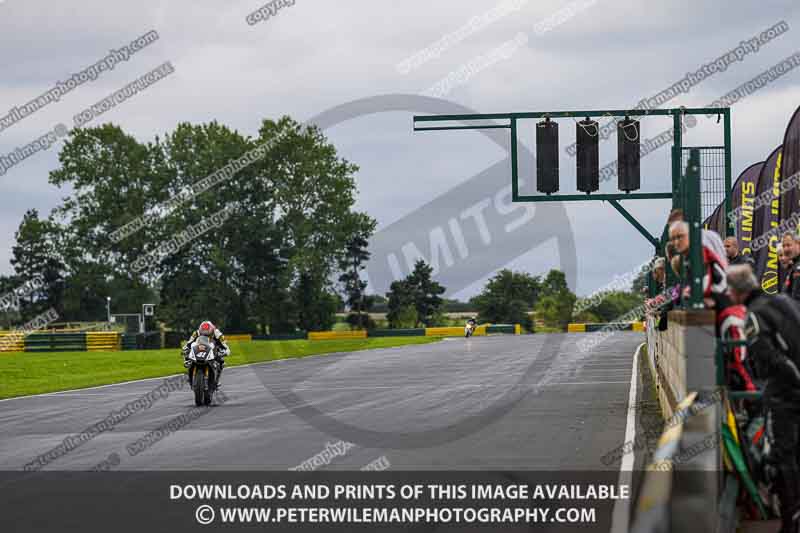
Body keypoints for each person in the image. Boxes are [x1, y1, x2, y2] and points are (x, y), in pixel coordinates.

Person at [728, 265, 800, 532]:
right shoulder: (784, 299)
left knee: (784, 456)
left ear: (736, 292)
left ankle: (790, 518)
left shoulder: (753, 317)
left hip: (786, 394)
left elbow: (772, 360)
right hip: (792, 386)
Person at [182, 321, 231, 386]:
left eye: (208, 335)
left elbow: (225, 345)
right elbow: (189, 342)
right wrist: (186, 348)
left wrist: (225, 351)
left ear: (212, 331)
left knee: (221, 362)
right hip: (200, 349)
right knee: (188, 357)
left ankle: (216, 380)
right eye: (203, 334)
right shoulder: (196, 333)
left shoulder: (218, 334)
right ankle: (190, 376)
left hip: (214, 349)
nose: (206, 336)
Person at [782, 232, 800, 301]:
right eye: (783, 246)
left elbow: (796, 298)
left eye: (788, 245)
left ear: (798, 244)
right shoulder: (792, 266)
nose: (785, 249)